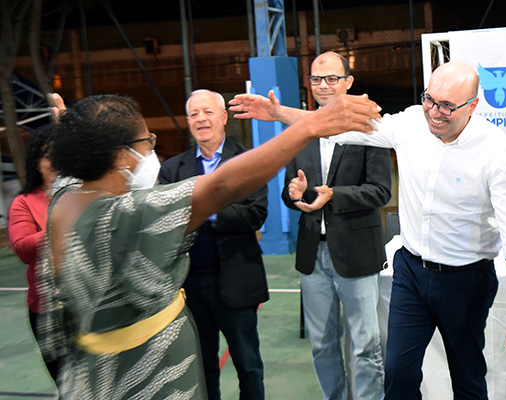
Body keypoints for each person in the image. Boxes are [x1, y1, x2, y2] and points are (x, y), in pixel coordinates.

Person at [36, 91, 381, 399]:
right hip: (142, 382)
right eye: (147, 141)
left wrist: (70, 125)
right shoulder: (123, 216)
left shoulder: (65, 197)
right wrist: (311, 125)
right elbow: (220, 187)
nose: (151, 149)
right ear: (121, 156)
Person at [229, 61, 506, 400]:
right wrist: (279, 113)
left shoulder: (494, 147)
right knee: (398, 377)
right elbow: (340, 130)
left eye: (447, 105)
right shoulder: (410, 123)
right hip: (412, 273)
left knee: (467, 376)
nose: (434, 112)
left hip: (465, 281)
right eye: (430, 99)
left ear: (472, 106)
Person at [247, 51, 391, 400]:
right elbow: (289, 190)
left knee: (366, 346)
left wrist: (334, 195)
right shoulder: (302, 129)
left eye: (331, 79)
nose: (323, 86)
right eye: (316, 79)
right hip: (313, 255)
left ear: (349, 82)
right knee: (323, 345)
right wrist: (294, 193)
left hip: (355, 253)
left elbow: (380, 191)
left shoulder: (368, 125)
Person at [158, 89, 268, 400]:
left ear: (223, 117)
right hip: (189, 286)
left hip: (237, 281)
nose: (201, 119)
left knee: (248, 364)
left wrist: (206, 207)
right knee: (201, 367)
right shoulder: (172, 170)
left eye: (207, 112)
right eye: (194, 114)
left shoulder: (248, 160)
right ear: (188, 122)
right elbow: (166, 219)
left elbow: (255, 214)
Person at [7, 124, 59, 380]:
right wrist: (61, 223)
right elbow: (23, 249)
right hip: (47, 308)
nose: (54, 161)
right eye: (46, 154)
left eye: (60, 153)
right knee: (65, 382)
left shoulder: (85, 194)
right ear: (36, 161)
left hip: (90, 304)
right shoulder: (24, 202)